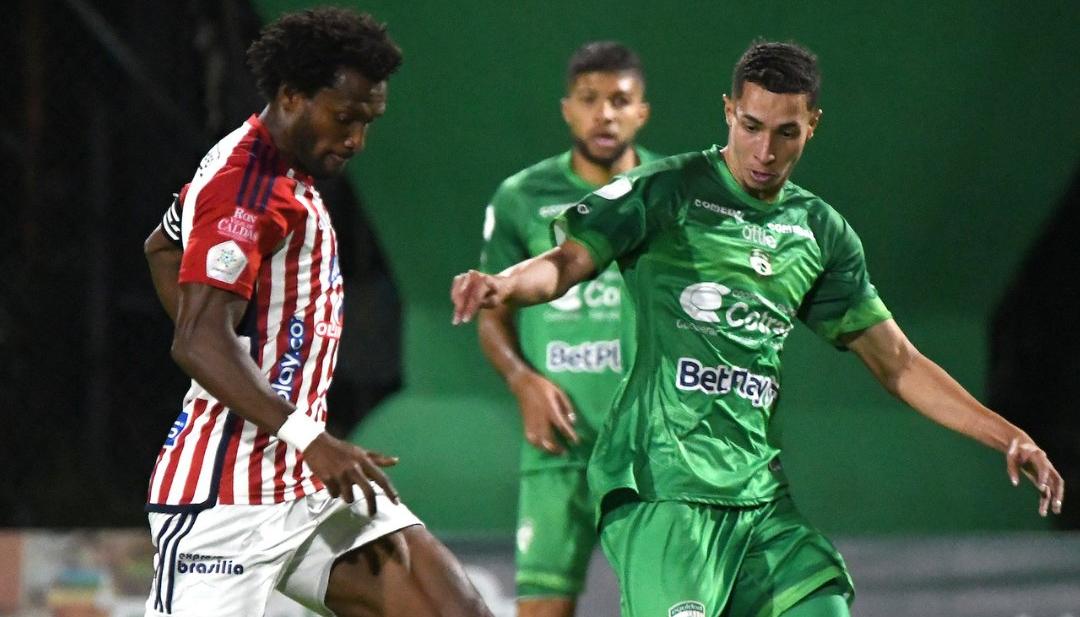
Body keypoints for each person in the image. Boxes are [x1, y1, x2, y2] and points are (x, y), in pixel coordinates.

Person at [451, 40, 1065, 617]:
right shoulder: (665, 190)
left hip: (759, 499)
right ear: (729, 112)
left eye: (786, 133)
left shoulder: (820, 231)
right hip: (664, 488)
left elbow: (897, 362)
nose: (765, 152)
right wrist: (503, 284)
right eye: (751, 127)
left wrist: (1005, 434)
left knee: (822, 601)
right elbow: (564, 265)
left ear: (813, 125)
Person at [141, 8, 492, 617]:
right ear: (291, 95)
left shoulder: (280, 173)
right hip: (224, 502)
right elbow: (197, 342)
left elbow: (163, 244)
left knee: (454, 610)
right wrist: (307, 433)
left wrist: (246, 361)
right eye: (344, 117)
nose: (355, 139)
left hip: (305, 484)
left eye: (367, 121)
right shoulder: (247, 186)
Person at [476, 41, 655, 617]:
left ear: (641, 112)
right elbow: (492, 313)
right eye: (590, 99)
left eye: (619, 101)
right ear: (568, 110)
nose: (605, 113)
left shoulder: (672, 193)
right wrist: (521, 380)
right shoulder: (521, 198)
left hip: (651, 450)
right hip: (559, 445)